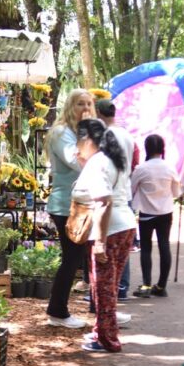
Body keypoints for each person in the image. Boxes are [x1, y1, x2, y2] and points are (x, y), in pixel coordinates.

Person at [72, 118, 136, 352]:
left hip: (110, 230)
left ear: (87, 140)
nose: (76, 147)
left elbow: (103, 202)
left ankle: (107, 339)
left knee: (103, 288)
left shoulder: (98, 162)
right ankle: (102, 332)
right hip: (124, 225)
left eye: (78, 141)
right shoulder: (110, 159)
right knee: (109, 285)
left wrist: (99, 242)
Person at [45, 89, 95, 329]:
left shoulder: (80, 132)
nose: (85, 108)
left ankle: (66, 309)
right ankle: (57, 311)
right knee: (72, 258)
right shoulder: (61, 133)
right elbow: (78, 163)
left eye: (88, 104)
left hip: (82, 203)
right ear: (69, 107)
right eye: (80, 104)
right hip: (66, 205)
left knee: (78, 257)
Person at [130, 134, 181, 298]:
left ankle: (146, 285)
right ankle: (161, 286)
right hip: (165, 212)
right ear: (162, 149)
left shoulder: (141, 169)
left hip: (146, 213)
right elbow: (176, 193)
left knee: (146, 248)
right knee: (164, 245)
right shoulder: (169, 168)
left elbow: (131, 189)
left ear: (147, 149)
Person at [96, 99, 136, 301]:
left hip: (109, 191)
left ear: (99, 113)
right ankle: (121, 286)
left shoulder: (106, 135)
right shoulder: (127, 135)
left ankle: (108, 291)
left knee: (107, 246)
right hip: (124, 190)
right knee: (121, 247)